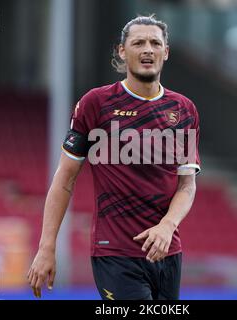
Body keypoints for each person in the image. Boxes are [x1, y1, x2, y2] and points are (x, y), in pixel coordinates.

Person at [28, 14, 201, 300]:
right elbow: (64, 179)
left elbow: (186, 185)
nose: (148, 49)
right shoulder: (95, 103)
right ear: (122, 51)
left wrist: (167, 226)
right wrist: (47, 247)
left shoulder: (184, 110)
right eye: (138, 43)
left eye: (155, 43)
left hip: (167, 253)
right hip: (115, 253)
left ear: (166, 52)